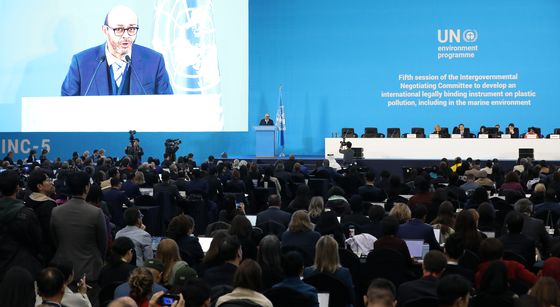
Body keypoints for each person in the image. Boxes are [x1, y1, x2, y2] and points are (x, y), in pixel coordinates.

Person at [61, 5, 173, 96]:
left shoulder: (154, 61)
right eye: (119, 29)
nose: (126, 35)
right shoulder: (81, 63)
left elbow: (167, 108)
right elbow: (65, 107)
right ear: (105, 31)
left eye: (131, 29)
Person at [51, 171, 108, 289]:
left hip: (63, 271)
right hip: (89, 271)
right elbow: (103, 244)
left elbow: (55, 240)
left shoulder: (56, 211)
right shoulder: (96, 213)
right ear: (87, 187)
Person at [0, 171, 43, 280]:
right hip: (23, 268)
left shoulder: (26, 213)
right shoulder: (27, 214)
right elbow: (37, 242)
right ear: (18, 187)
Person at [303, 235, 355, 305]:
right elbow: (351, 299)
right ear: (335, 252)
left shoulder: (307, 272)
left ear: (317, 251)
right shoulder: (344, 273)